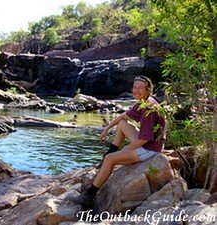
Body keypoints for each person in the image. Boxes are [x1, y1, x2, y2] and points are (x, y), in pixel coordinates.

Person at [68, 75, 166, 208]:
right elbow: (123, 117)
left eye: (141, 88)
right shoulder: (144, 102)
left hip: (150, 148)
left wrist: (127, 148)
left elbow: (144, 140)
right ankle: (109, 155)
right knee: (122, 124)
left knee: (110, 159)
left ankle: (89, 196)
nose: (136, 90)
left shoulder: (148, 108)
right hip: (150, 142)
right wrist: (107, 128)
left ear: (149, 90)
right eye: (135, 87)